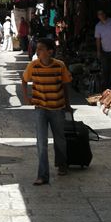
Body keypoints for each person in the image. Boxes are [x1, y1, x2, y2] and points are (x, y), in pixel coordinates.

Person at [21, 38, 72, 185]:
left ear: (50, 52)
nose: (37, 51)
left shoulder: (59, 65)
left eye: (41, 49)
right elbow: (24, 80)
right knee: (41, 142)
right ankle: (42, 175)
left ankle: (62, 164)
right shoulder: (33, 65)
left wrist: (67, 105)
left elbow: (65, 85)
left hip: (57, 108)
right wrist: (26, 98)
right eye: (37, 49)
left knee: (59, 139)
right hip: (40, 109)